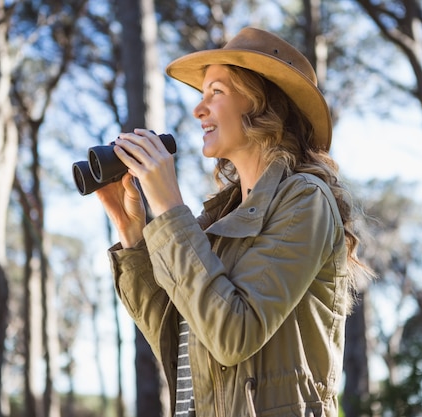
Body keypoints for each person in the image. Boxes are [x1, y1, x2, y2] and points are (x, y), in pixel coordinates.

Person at [95, 27, 371, 417]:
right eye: (202, 94)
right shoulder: (218, 220)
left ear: (263, 105)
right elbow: (180, 339)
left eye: (216, 92)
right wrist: (132, 236)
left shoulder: (305, 199)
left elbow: (231, 336)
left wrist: (169, 206)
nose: (198, 108)